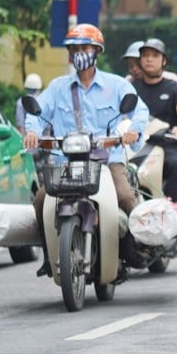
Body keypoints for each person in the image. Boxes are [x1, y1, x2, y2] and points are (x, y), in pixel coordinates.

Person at [22, 23, 150, 269]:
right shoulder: (58, 87)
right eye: (74, 48)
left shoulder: (116, 85)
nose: (79, 52)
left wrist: (133, 130)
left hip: (107, 160)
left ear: (97, 50)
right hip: (66, 162)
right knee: (40, 201)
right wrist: (32, 132)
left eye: (85, 47)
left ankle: (129, 247)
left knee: (124, 197)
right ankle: (50, 255)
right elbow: (36, 113)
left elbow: (139, 109)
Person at [125, 38, 177, 219]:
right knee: (125, 173)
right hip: (137, 146)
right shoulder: (129, 88)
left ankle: (169, 211)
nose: (149, 59)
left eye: (154, 56)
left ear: (163, 60)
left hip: (167, 144)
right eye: (145, 56)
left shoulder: (175, 86)